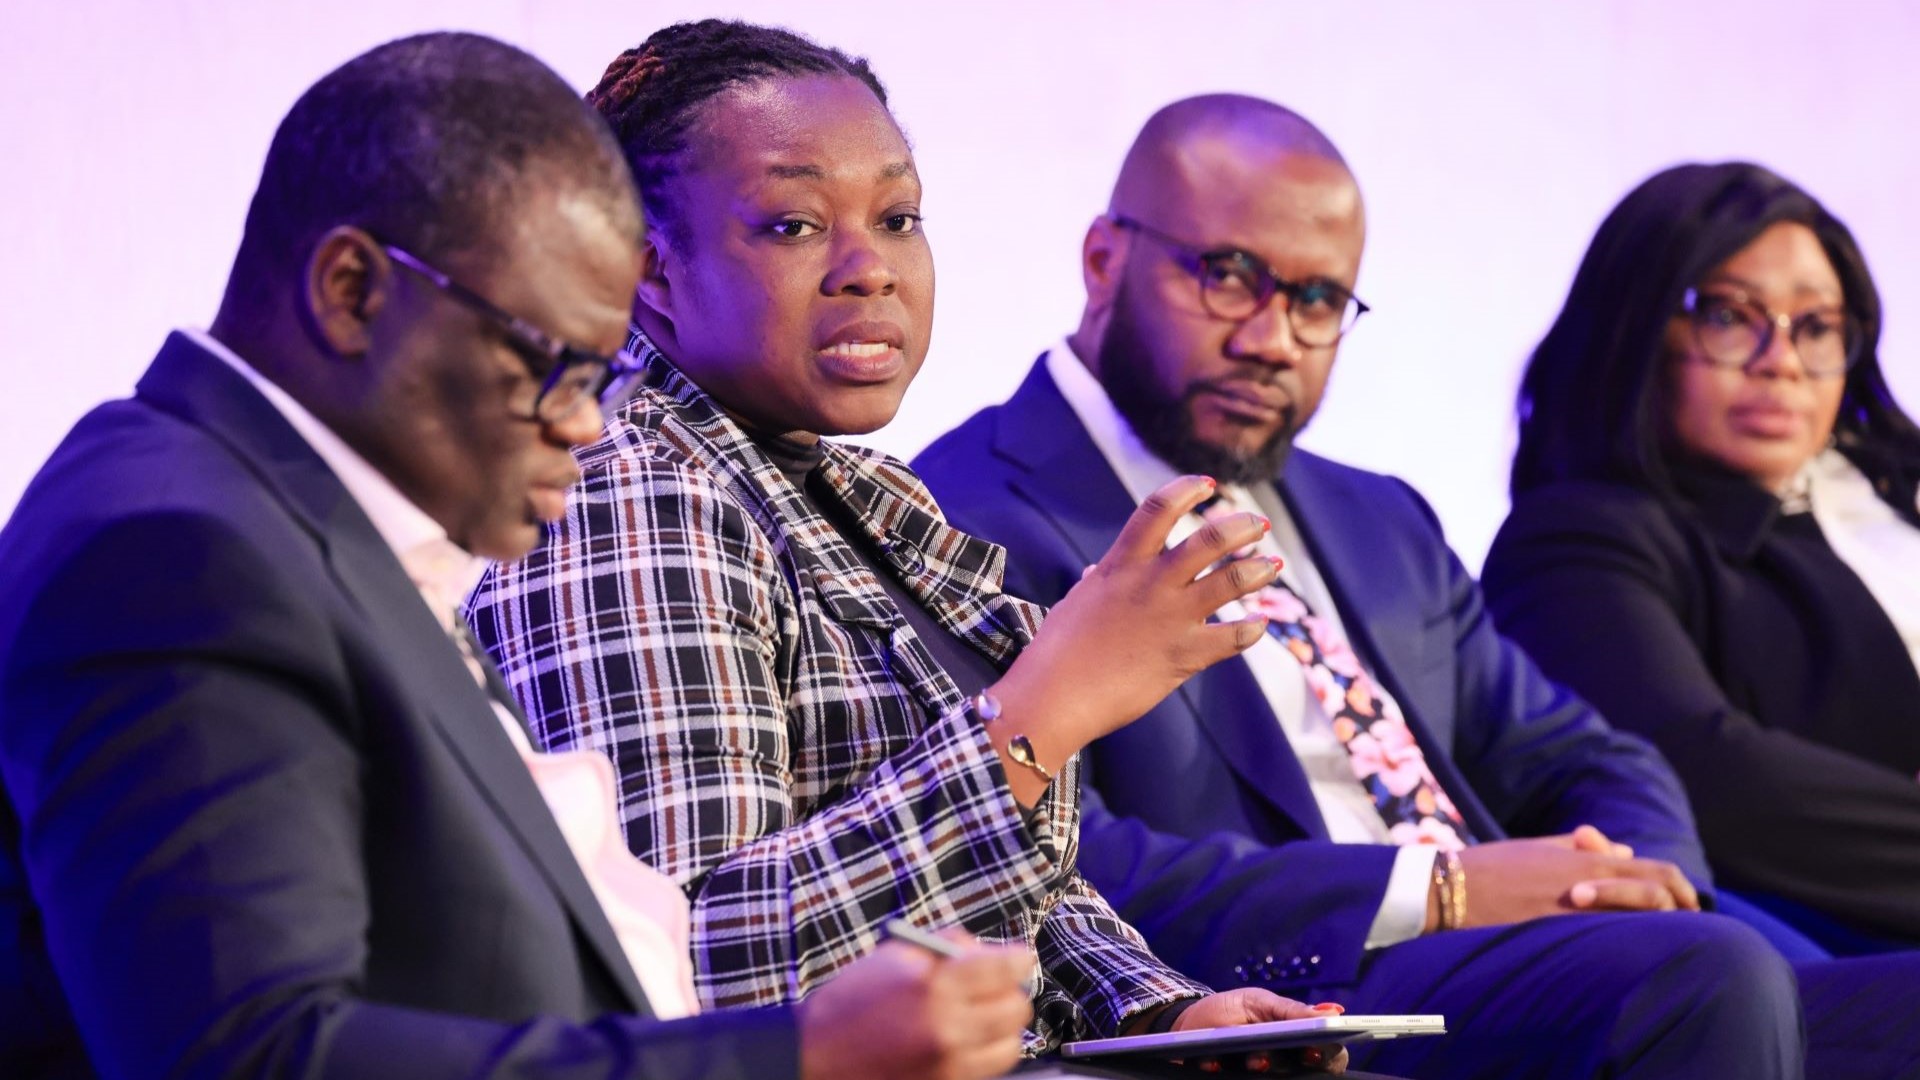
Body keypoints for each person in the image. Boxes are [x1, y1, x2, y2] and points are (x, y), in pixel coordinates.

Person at [0, 32, 1035, 1080]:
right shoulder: (179, 553)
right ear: (353, 291)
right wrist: (794, 1054)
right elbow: (253, 1059)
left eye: (605, 378)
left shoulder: (322, 532)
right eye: (554, 365)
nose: (585, 425)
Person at [908, 95, 1920, 1079]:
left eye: (1317, 301)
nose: (1272, 339)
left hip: (1563, 955)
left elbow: (1589, 754)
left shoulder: (1375, 515)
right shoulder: (964, 514)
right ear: (1102, 260)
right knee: (1707, 980)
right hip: (1295, 984)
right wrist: (1440, 890)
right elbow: (1037, 849)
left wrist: (1628, 881)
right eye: (1228, 276)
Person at [467, 20, 1352, 1072]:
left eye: (897, 219)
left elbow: (1006, 894)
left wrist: (1162, 1017)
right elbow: (693, 969)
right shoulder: (626, 493)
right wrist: (1045, 711)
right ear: (650, 270)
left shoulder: (864, 491)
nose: (870, 271)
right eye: (794, 225)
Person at [1483, 161, 1920, 956]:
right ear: (1635, 330)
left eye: (1816, 327)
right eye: (1728, 316)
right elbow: (1704, 772)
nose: (1781, 360)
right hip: (1832, 947)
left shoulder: (1892, 485)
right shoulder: (1576, 540)